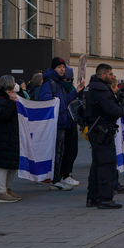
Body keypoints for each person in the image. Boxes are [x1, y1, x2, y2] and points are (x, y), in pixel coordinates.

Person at [84, 64, 124, 209]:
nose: (112, 76)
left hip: (95, 130)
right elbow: (113, 110)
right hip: (103, 131)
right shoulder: (101, 89)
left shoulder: (90, 88)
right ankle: (105, 199)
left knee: (97, 165)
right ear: (102, 75)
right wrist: (123, 108)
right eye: (110, 74)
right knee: (107, 165)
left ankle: (92, 198)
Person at [39, 57, 84, 191]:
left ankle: (58, 178)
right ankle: (55, 180)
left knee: (61, 151)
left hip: (62, 123)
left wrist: (77, 91)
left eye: (63, 67)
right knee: (57, 152)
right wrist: (52, 101)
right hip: (56, 123)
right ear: (54, 68)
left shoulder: (57, 82)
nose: (62, 69)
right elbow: (45, 101)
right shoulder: (50, 82)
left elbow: (64, 102)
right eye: (59, 67)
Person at [0, 76, 22, 202]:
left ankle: (8, 189)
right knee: (3, 166)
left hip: (9, 137)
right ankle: (1, 192)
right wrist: (11, 102)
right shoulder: (0, 100)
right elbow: (3, 116)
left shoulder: (6, 99)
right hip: (1, 138)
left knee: (11, 165)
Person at [59, 66, 81, 187]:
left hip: (71, 120)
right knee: (65, 150)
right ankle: (64, 174)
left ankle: (67, 173)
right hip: (63, 122)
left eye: (70, 79)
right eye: (67, 79)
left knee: (73, 150)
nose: (69, 82)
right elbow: (63, 102)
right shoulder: (59, 88)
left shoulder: (71, 88)